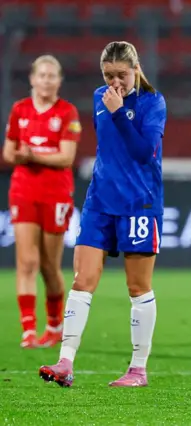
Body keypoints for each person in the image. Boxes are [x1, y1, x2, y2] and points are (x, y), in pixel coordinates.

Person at [39, 41, 167, 388]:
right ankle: (65, 361)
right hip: (99, 203)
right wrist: (114, 107)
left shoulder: (152, 102)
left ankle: (138, 369)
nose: (115, 83)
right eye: (108, 76)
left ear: (136, 68)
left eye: (121, 75)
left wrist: (120, 112)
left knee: (137, 286)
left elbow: (144, 153)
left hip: (139, 204)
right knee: (82, 280)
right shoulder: (101, 97)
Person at [2, 55, 82, 349]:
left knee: (49, 266)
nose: (47, 80)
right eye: (42, 75)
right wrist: (19, 155)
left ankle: (54, 324)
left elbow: (66, 157)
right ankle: (28, 330)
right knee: (26, 262)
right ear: (32, 79)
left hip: (56, 193)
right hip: (23, 190)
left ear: (59, 81)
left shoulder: (67, 113)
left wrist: (33, 155)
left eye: (52, 76)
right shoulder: (19, 110)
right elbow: (8, 152)